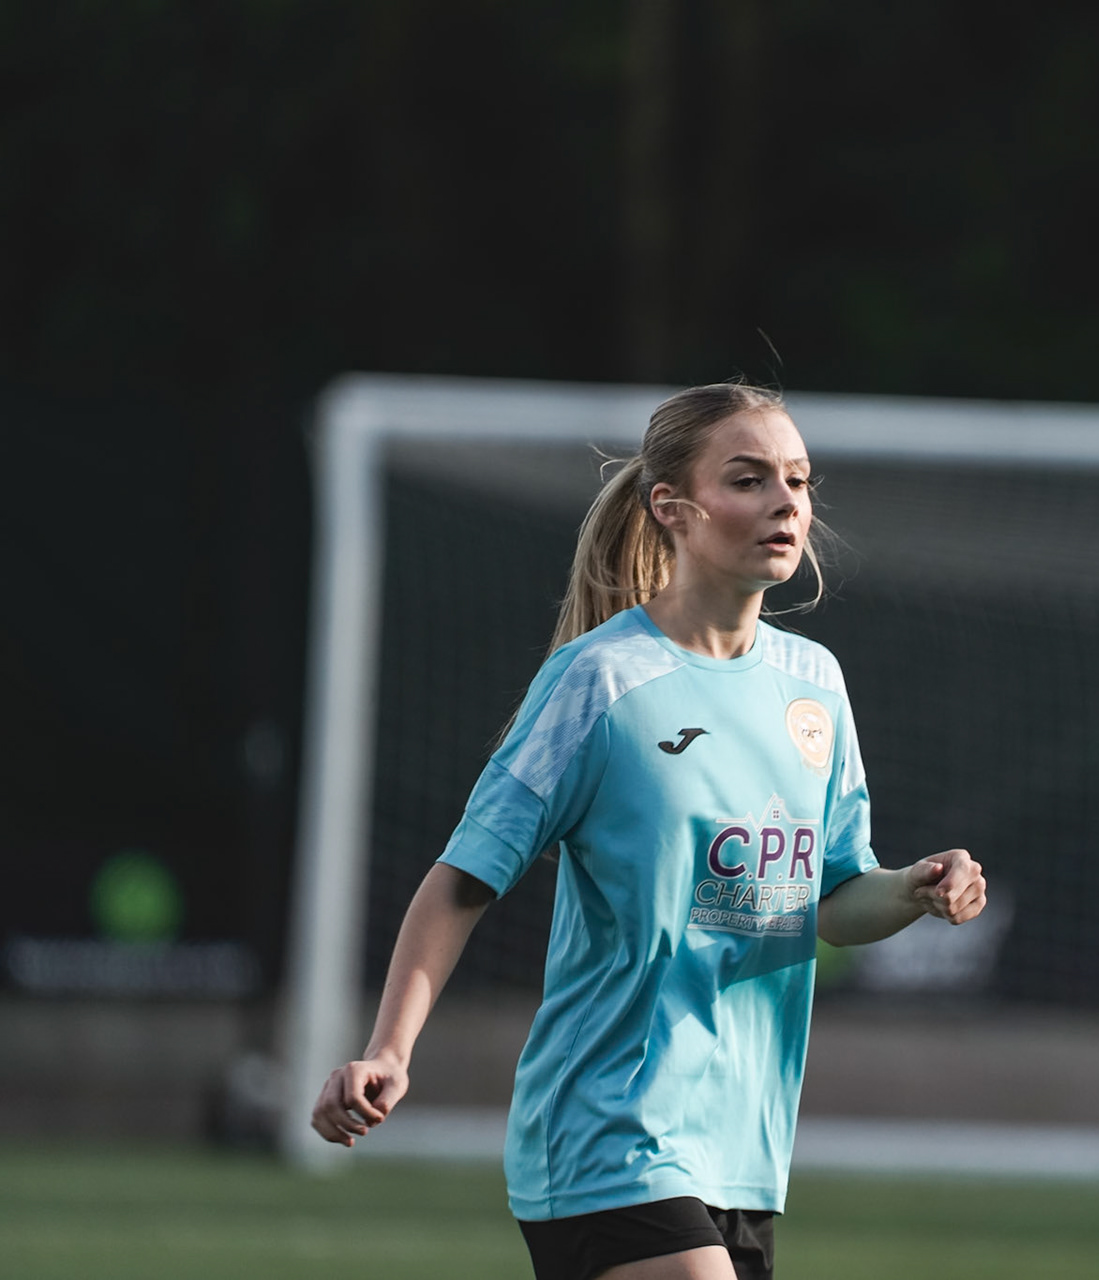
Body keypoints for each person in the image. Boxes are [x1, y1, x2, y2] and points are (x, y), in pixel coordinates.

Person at [309, 382, 988, 1280]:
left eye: (798, 480)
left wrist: (911, 890)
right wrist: (389, 1052)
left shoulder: (815, 685)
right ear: (672, 506)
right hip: (608, 1122)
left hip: (743, 1146)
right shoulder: (601, 680)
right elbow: (464, 876)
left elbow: (831, 902)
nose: (786, 503)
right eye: (748, 480)